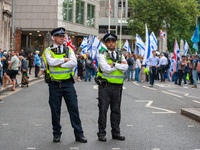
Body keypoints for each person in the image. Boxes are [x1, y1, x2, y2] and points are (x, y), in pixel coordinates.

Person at [43, 27, 87, 143]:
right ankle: (56, 134)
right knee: (55, 111)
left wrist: (60, 64)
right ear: (54, 37)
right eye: (60, 36)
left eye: (64, 36)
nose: (63, 38)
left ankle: (79, 134)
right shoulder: (48, 50)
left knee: (74, 110)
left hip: (68, 84)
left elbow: (73, 63)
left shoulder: (69, 49)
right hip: (54, 85)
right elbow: (50, 62)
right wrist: (65, 59)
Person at [96, 33, 128, 142]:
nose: (111, 43)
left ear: (115, 43)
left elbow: (126, 67)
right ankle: (101, 133)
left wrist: (113, 65)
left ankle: (116, 132)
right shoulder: (102, 55)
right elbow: (105, 69)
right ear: (106, 43)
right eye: (109, 42)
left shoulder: (120, 55)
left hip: (118, 87)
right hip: (105, 86)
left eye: (113, 42)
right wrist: (119, 65)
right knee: (103, 110)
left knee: (116, 111)